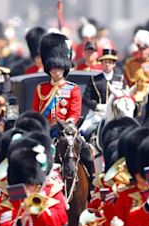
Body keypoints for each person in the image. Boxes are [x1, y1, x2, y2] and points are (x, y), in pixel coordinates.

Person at [32, 32, 95, 185]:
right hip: (46, 129)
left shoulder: (72, 89)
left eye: (58, 68)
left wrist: (68, 126)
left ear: (64, 68)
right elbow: (36, 112)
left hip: (67, 129)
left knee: (85, 151)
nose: (55, 71)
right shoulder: (41, 88)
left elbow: (74, 112)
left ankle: (92, 183)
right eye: (52, 68)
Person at [82, 48, 126, 114]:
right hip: (98, 113)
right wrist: (96, 106)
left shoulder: (120, 79)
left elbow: (126, 96)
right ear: (101, 63)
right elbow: (85, 98)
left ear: (114, 64)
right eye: (105, 62)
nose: (107, 64)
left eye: (110, 62)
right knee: (86, 124)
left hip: (116, 112)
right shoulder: (94, 79)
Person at [123, 29, 149, 103]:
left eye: (145, 49)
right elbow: (126, 81)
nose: (142, 51)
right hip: (133, 95)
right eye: (140, 49)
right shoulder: (130, 63)